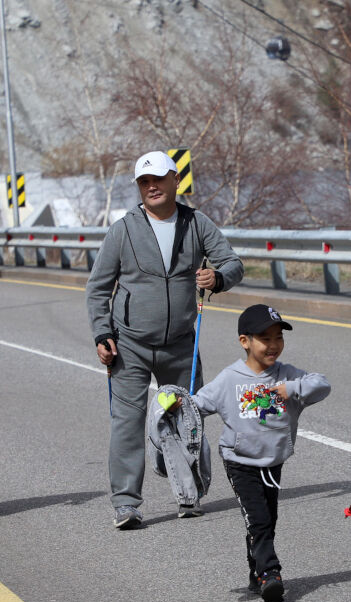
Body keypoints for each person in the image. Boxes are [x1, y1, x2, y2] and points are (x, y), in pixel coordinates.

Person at [86, 150, 244, 529]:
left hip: (180, 343)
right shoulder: (123, 229)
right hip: (130, 346)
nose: (151, 187)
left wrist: (217, 279)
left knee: (186, 420)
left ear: (176, 179)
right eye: (144, 182)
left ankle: (189, 494)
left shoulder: (196, 223)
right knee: (127, 422)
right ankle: (126, 504)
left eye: (158, 179)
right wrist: (102, 333)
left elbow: (232, 263)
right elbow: (97, 288)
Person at [193, 304, 330, 602]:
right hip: (240, 461)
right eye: (265, 338)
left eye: (278, 337)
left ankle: (256, 573)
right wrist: (177, 407)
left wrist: (291, 389)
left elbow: (322, 385)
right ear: (245, 341)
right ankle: (270, 573)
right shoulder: (230, 379)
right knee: (258, 521)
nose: (273, 345)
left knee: (267, 519)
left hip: (273, 461)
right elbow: (198, 405)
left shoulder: (287, 375)